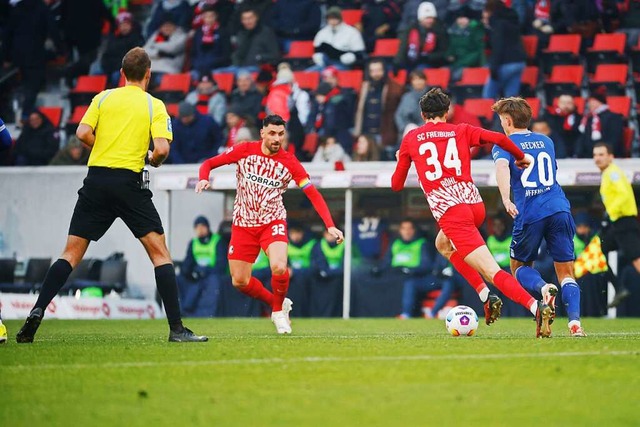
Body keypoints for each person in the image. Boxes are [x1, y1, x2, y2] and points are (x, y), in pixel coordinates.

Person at [15, 47, 207, 343]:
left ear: (121, 74)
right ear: (148, 75)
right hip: (129, 182)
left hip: (96, 180)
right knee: (160, 253)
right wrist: (152, 159)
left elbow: (81, 133)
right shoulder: (153, 105)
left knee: (70, 254)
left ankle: (37, 312)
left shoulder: (102, 97)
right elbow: (163, 149)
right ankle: (177, 329)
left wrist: (102, 148)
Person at [391, 88, 553, 338]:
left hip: (453, 213)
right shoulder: (461, 129)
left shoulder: (412, 138)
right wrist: (520, 156)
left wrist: (402, 158)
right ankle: (485, 295)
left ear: (423, 114)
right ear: (447, 112)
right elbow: (499, 139)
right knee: (443, 244)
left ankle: (535, 307)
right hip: (474, 205)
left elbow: (396, 185)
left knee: (493, 272)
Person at [196, 114, 344, 334]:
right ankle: (279, 301)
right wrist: (203, 177)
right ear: (262, 133)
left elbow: (312, 193)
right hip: (243, 223)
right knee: (239, 281)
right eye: (272, 133)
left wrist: (330, 225)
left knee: (279, 266)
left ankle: (277, 313)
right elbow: (209, 163)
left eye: (281, 134)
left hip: (271, 221)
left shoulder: (290, 162)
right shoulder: (244, 150)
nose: (277, 138)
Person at [492, 97, 585, 337]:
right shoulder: (546, 141)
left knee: (519, 267)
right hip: (559, 208)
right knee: (566, 271)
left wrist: (505, 199)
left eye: (501, 119)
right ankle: (575, 325)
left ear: (507, 120)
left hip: (530, 213)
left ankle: (544, 288)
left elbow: (502, 168)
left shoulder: (503, 143)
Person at [373, 219, 453, 319]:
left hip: (418, 277)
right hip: (395, 276)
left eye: (409, 228)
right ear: (400, 230)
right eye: (404, 228)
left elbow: (427, 265)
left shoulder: (422, 243)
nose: (407, 231)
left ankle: (430, 314)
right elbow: (386, 262)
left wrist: (410, 270)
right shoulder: (395, 243)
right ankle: (405, 314)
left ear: (414, 230)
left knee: (413, 283)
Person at [594, 142, 640, 305]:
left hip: (624, 221)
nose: (597, 158)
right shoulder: (608, 174)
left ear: (611, 157)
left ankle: (619, 287)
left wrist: (609, 213)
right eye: (595, 155)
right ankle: (618, 288)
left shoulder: (613, 173)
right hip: (618, 223)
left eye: (601, 154)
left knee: (636, 259)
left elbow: (622, 196)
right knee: (599, 251)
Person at [177, 216, 227, 317]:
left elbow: (221, 264)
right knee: (179, 279)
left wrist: (205, 271)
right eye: (197, 227)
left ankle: (207, 313)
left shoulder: (217, 241)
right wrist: (189, 272)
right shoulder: (193, 243)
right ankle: (182, 311)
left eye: (202, 227)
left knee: (213, 281)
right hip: (198, 274)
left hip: (213, 273)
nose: (200, 230)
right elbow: (188, 261)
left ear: (207, 227)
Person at [481, 0, 526, 100]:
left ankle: (489, 116)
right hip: (519, 62)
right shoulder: (512, 19)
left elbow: (498, 47)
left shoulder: (497, 24)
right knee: (511, 99)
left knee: (488, 96)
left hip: (505, 63)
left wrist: (494, 68)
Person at [354, 59, 403, 148]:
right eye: (372, 71)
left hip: (386, 135)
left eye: (378, 70)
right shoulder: (363, 87)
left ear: (384, 71)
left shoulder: (395, 89)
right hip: (366, 134)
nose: (376, 74)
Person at [394, 2, 449, 72]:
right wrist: (397, 63)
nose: (430, 21)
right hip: (411, 60)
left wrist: (427, 57)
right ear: (420, 19)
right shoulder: (411, 29)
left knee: (419, 71)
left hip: (431, 63)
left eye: (432, 18)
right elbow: (403, 47)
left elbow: (443, 51)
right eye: (427, 18)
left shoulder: (439, 30)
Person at [95, 11, 145, 88]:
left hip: (126, 69)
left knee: (116, 77)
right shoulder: (113, 39)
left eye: (126, 24)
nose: (124, 27)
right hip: (110, 66)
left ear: (131, 25)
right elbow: (106, 55)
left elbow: (133, 59)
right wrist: (106, 66)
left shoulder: (137, 39)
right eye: (121, 25)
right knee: (96, 72)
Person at [308, 6, 365, 71]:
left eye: (335, 18)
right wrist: (319, 58)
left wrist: (349, 58)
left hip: (343, 65)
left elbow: (359, 53)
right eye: (330, 18)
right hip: (324, 64)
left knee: (329, 72)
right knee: (308, 73)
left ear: (340, 18)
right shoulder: (322, 33)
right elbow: (317, 50)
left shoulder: (352, 32)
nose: (333, 21)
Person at [576, 87, 625, 159]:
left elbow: (614, 139)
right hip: (588, 156)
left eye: (592, 101)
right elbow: (583, 138)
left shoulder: (614, 117)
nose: (590, 104)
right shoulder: (588, 119)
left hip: (608, 156)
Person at [143, 17, 188, 87]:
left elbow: (172, 48)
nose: (167, 28)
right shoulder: (156, 35)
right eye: (164, 26)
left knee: (157, 83)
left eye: (169, 26)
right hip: (152, 69)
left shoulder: (181, 36)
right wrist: (157, 53)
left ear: (174, 26)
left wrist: (154, 45)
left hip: (169, 69)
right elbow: (144, 51)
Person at [190, 5, 231, 78]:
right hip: (198, 68)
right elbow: (193, 52)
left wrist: (211, 64)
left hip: (217, 68)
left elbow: (226, 54)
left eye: (211, 16)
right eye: (206, 16)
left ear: (216, 16)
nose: (209, 19)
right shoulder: (198, 32)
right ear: (202, 17)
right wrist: (197, 64)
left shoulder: (223, 32)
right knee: (188, 77)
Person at [542, 94, 581, 158]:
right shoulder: (549, 116)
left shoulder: (579, 118)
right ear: (558, 103)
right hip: (555, 151)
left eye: (569, 103)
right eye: (563, 103)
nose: (566, 106)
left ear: (574, 104)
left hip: (574, 152)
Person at [395, 70, 429, 140]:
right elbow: (399, 115)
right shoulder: (406, 97)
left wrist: (419, 129)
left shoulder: (432, 96)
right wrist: (404, 128)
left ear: (425, 80)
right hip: (407, 131)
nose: (418, 82)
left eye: (420, 79)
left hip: (426, 132)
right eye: (415, 79)